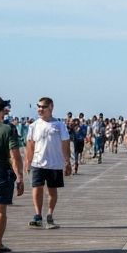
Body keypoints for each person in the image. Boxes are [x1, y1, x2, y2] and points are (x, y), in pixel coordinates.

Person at [25, 96, 71, 229]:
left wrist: (67, 162)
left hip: (55, 163)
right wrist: (28, 162)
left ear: (51, 107)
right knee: (37, 188)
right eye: (38, 106)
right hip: (37, 163)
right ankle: (38, 216)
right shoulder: (34, 125)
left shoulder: (59, 125)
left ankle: (50, 215)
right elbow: (30, 145)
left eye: (43, 107)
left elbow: (65, 143)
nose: (40, 109)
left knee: (52, 191)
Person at [0, 97, 24, 253]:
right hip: (0, 170)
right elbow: (15, 155)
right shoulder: (8, 129)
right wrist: (19, 176)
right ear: (0, 111)